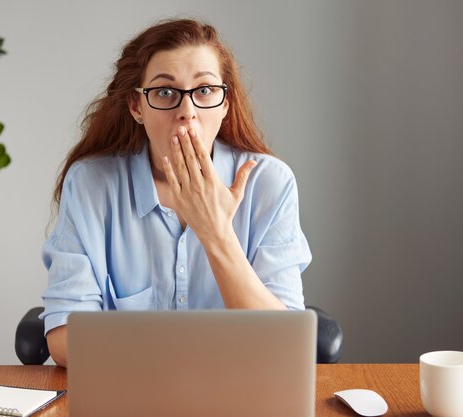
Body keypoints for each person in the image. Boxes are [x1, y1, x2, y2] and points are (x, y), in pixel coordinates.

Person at [40, 18, 312, 367]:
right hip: (129, 393)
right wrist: (180, 360)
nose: (187, 113)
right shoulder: (91, 184)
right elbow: (64, 337)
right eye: (165, 92)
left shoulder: (270, 183)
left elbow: (286, 348)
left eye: (204, 91)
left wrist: (216, 233)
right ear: (137, 107)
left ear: (225, 104)